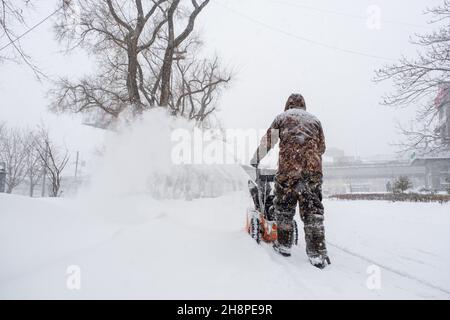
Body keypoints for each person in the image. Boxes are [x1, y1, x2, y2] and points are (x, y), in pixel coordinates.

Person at [250, 93, 331, 269]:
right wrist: (309, 156)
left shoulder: (282, 118)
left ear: (288, 104)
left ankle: (284, 246)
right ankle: (317, 253)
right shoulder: (315, 121)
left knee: (284, 209)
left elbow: (267, 142)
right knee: (313, 212)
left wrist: (256, 159)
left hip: (289, 173)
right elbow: (322, 148)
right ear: (304, 105)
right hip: (312, 174)